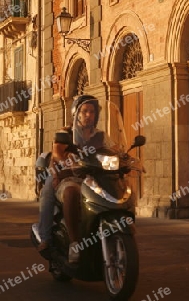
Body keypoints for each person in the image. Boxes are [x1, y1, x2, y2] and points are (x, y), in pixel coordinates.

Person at [38, 95, 114, 264]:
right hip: (65, 174)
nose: (88, 115)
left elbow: (112, 150)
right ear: (76, 114)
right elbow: (57, 152)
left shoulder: (100, 135)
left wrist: (126, 160)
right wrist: (65, 161)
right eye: (84, 111)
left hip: (89, 176)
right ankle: (54, 239)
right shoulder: (66, 132)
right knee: (53, 193)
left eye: (92, 111)